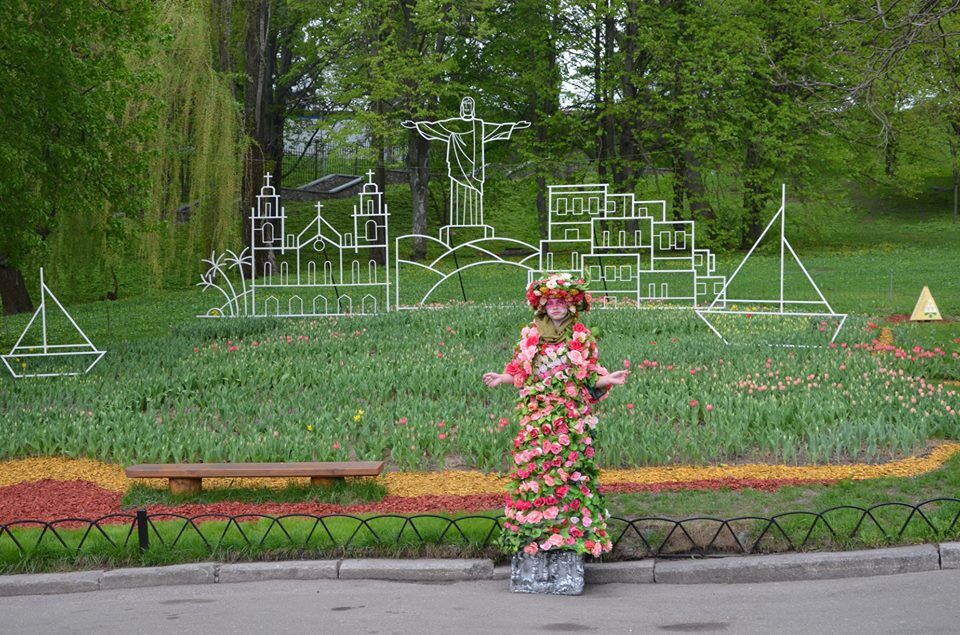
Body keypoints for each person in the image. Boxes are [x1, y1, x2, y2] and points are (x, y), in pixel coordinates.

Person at [483, 273, 629, 563]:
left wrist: (606, 378)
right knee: (537, 471)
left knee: (570, 471)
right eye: (550, 302)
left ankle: (571, 535)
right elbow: (521, 371)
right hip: (538, 416)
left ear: (571, 305)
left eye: (561, 301)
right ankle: (533, 535)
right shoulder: (531, 335)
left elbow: (587, 373)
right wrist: (503, 377)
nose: (556, 307)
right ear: (542, 306)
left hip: (569, 416)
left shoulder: (581, 336)